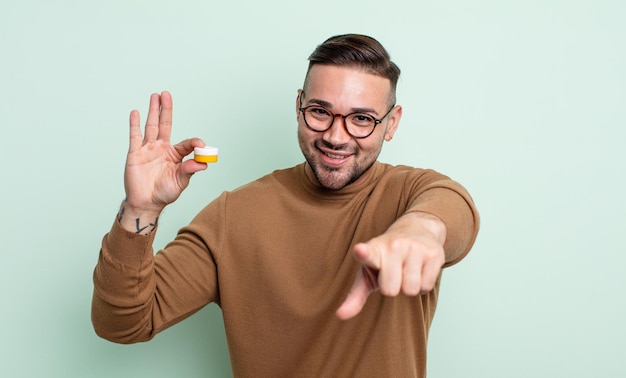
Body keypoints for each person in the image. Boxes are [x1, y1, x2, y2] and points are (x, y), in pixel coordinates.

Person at [92, 34, 480, 377]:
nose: (335, 135)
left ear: (391, 123)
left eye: (361, 118)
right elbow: (121, 324)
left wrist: (421, 230)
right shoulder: (235, 215)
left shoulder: (413, 192)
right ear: (299, 105)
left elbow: (450, 207)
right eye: (320, 111)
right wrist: (140, 210)